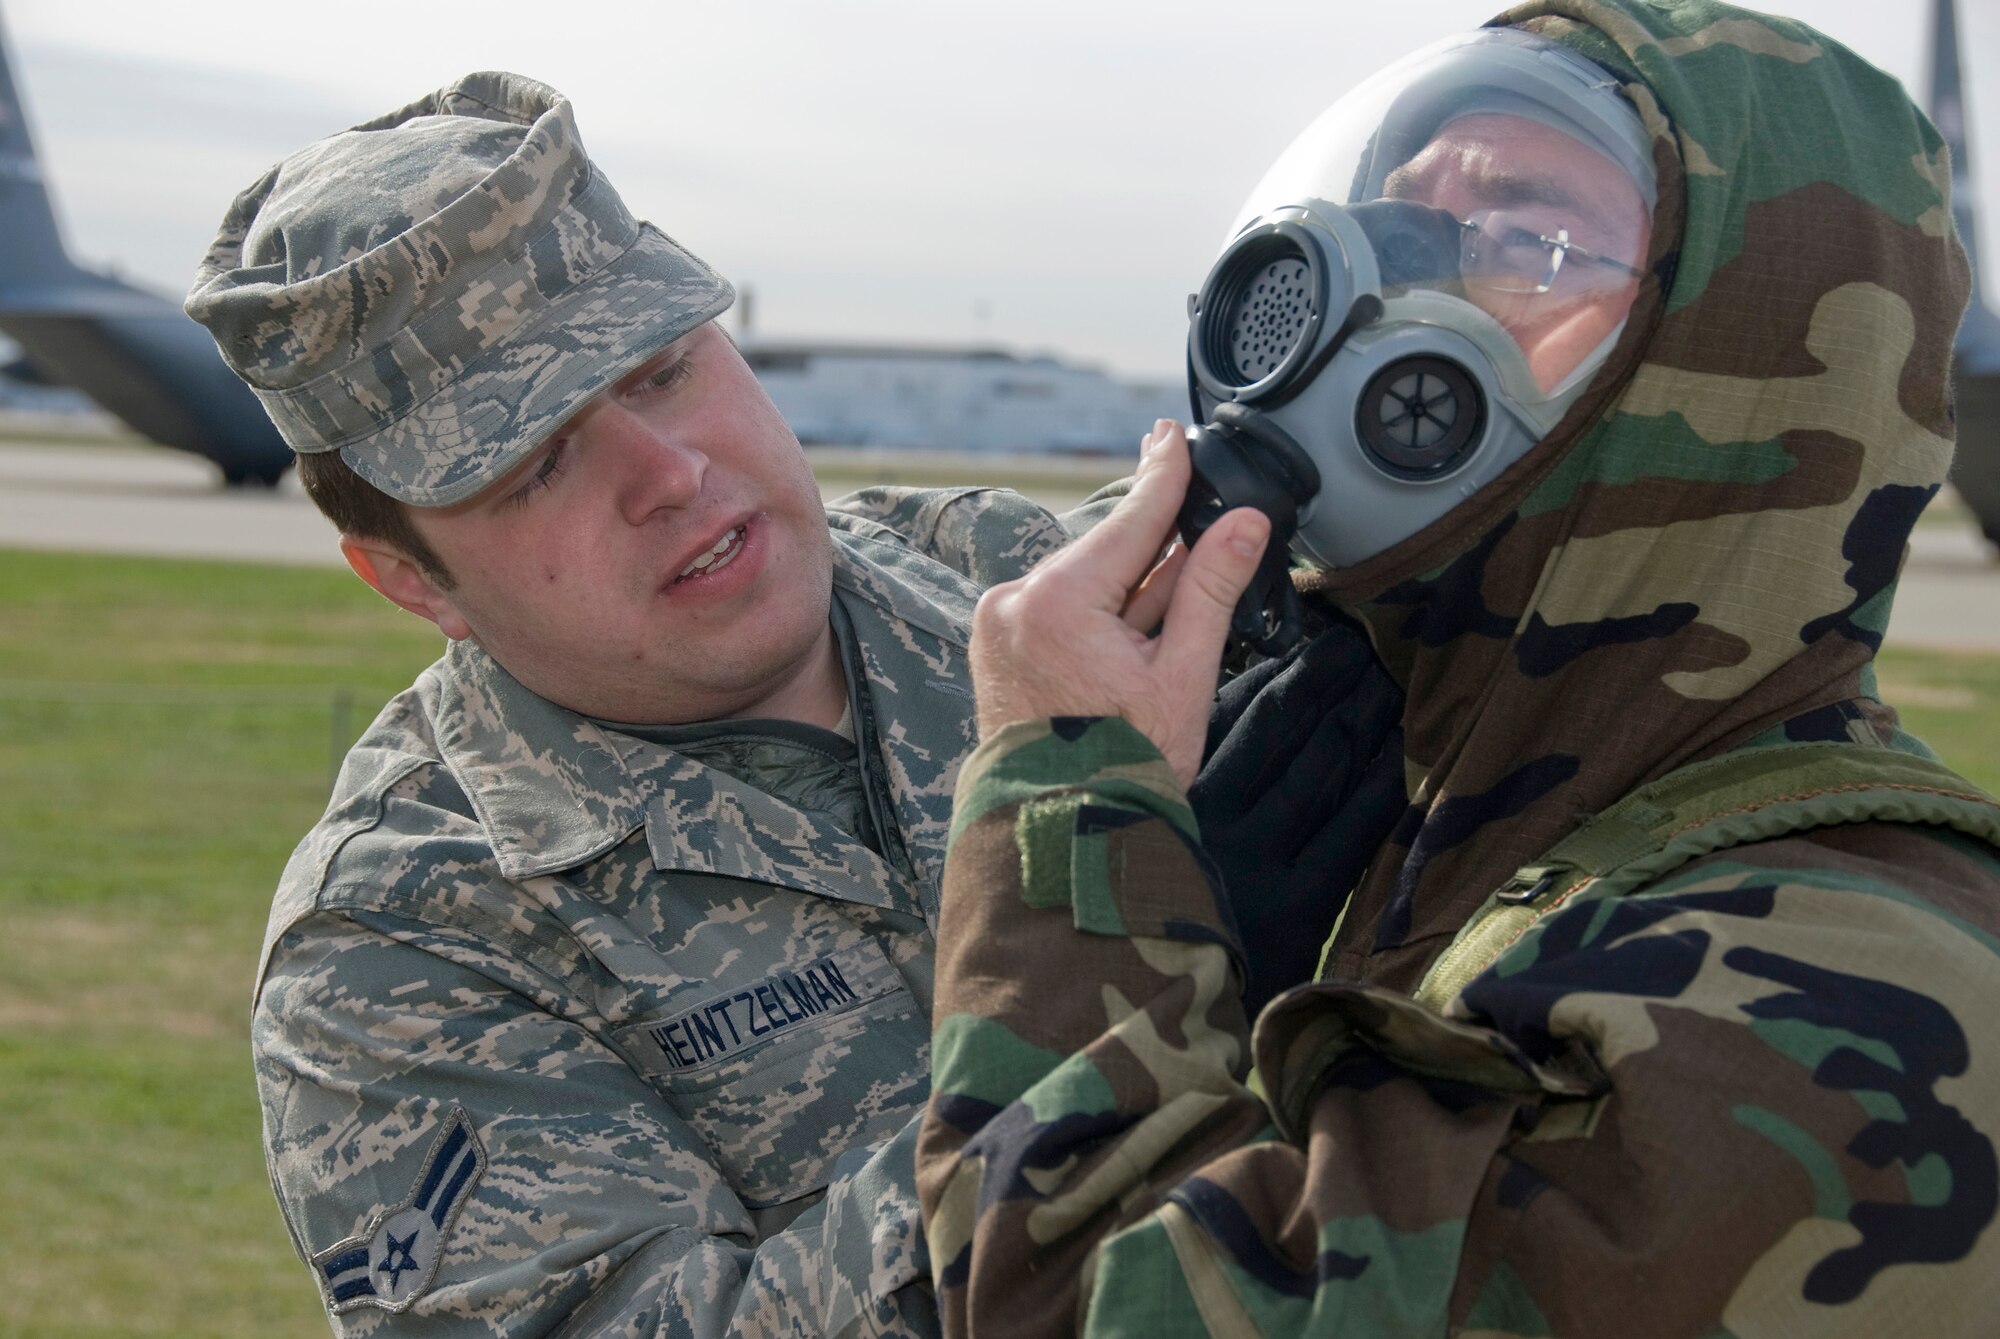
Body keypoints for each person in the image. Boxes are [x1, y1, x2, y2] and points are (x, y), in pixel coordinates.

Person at [918, 1, 2000, 1333]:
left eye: (1520, 236)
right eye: (1394, 216)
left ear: (1737, 361)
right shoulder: (1518, 828)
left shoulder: (1833, 1012)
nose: (1376, 279)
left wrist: (1070, 812)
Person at [185, 71, 1090, 1335]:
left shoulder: (1021, 574)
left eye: (662, 370)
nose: (668, 474)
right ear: (410, 580)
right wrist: (1100, 974)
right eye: (539, 460)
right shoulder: (403, 950)